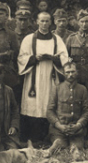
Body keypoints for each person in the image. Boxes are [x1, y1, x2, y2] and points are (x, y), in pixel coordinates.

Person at [18, 12, 69, 143]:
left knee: (49, 103)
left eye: (47, 21)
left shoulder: (57, 39)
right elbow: (21, 58)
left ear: (51, 22)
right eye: (42, 21)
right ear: (37, 22)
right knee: (33, 104)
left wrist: (55, 59)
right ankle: (33, 138)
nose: (45, 24)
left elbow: (65, 57)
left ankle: (48, 137)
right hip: (34, 76)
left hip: (50, 76)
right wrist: (34, 58)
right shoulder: (29, 39)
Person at [46, 61, 88, 158]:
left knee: (77, 148)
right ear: (63, 73)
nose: (70, 75)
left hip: (76, 130)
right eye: (68, 72)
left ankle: (75, 149)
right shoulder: (57, 89)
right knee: (59, 146)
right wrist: (59, 126)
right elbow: (49, 111)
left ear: (77, 73)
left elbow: (86, 111)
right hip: (59, 130)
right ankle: (55, 146)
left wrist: (78, 125)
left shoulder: (82, 89)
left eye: (73, 72)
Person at [66, 10, 88, 85]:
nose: (84, 24)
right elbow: (66, 57)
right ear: (78, 22)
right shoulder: (71, 38)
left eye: (86, 21)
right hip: (75, 73)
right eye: (82, 22)